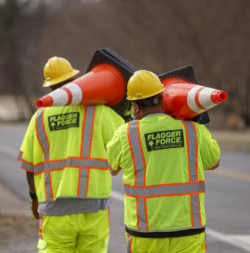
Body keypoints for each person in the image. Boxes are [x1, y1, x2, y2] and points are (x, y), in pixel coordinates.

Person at [17, 56, 124, 253]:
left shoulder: (39, 117)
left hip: (54, 207)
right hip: (94, 206)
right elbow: (125, 149)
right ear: (75, 80)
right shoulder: (99, 112)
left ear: (49, 87)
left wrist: (34, 197)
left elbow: (29, 166)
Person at [107, 70, 220, 253]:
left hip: (145, 233)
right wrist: (194, 120)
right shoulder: (192, 129)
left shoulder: (125, 134)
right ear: (162, 97)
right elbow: (213, 161)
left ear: (135, 106)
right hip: (188, 230)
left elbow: (112, 166)